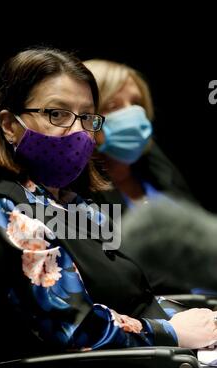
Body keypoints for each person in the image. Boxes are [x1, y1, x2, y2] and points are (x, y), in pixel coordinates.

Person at [0, 47, 217, 365]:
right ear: (9, 125)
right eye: (57, 114)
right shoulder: (8, 210)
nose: (78, 131)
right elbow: (76, 329)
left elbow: (131, 295)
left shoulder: (64, 199)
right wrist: (172, 332)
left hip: (155, 358)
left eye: (87, 117)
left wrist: (199, 322)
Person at [80, 59, 198, 293]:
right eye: (113, 105)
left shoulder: (155, 167)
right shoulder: (74, 192)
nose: (132, 115)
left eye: (136, 103)